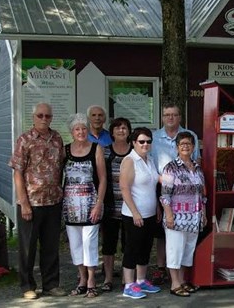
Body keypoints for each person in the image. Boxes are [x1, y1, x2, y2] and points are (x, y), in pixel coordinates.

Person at [8, 102, 67, 299]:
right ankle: (27, 286)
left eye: (47, 116)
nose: (44, 119)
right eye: (40, 115)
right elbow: (18, 173)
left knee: (50, 246)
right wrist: (23, 202)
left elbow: (61, 166)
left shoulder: (57, 138)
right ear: (33, 117)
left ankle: (51, 284)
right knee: (28, 247)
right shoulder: (24, 140)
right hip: (31, 203)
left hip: (53, 201)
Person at [150, 103, 200, 285]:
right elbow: (149, 162)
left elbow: (197, 161)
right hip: (162, 187)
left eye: (174, 115)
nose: (170, 118)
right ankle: (162, 268)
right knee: (163, 233)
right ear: (163, 117)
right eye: (167, 115)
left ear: (180, 117)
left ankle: (180, 278)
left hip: (188, 190)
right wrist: (163, 181)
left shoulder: (190, 135)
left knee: (182, 240)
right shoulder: (154, 137)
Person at [62, 113, 107, 298]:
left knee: (89, 242)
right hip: (70, 204)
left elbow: (103, 178)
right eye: (77, 129)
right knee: (75, 245)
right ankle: (81, 279)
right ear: (72, 132)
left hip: (90, 203)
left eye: (83, 128)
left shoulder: (96, 148)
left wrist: (99, 204)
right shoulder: (65, 150)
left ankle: (91, 280)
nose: (81, 132)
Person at [159, 132, 207, 297]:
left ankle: (183, 281)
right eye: (182, 144)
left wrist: (204, 214)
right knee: (175, 250)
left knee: (188, 251)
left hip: (194, 217)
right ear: (177, 147)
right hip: (176, 217)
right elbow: (165, 195)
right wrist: (169, 216)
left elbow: (202, 194)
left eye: (189, 144)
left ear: (193, 147)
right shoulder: (170, 167)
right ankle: (174, 284)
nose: (185, 146)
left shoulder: (198, 168)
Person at [120, 127, 162, 299]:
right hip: (134, 215)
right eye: (142, 141)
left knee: (145, 248)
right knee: (132, 249)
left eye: (148, 141)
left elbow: (153, 186)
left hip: (150, 213)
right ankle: (129, 285)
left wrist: (157, 208)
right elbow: (124, 188)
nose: (145, 144)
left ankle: (141, 280)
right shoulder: (130, 160)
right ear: (133, 142)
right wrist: (135, 212)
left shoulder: (149, 160)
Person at [100, 117, 132, 292]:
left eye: (124, 128)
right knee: (109, 244)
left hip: (130, 206)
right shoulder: (104, 151)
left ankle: (128, 278)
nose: (121, 130)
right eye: (118, 128)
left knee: (129, 244)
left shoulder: (135, 151)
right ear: (111, 132)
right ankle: (108, 278)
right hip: (110, 206)